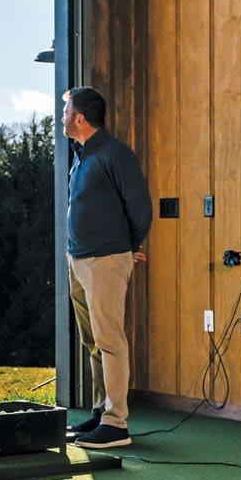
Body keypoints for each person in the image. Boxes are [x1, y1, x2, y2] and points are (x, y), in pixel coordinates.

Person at [61, 87, 151, 449]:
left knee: (110, 340)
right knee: (93, 341)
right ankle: (101, 412)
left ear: (81, 118)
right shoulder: (81, 156)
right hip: (78, 261)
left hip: (105, 261)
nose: (63, 116)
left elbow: (140, 208)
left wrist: (129, 248)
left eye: (66, 111)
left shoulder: (115, 154)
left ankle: (116, 424)